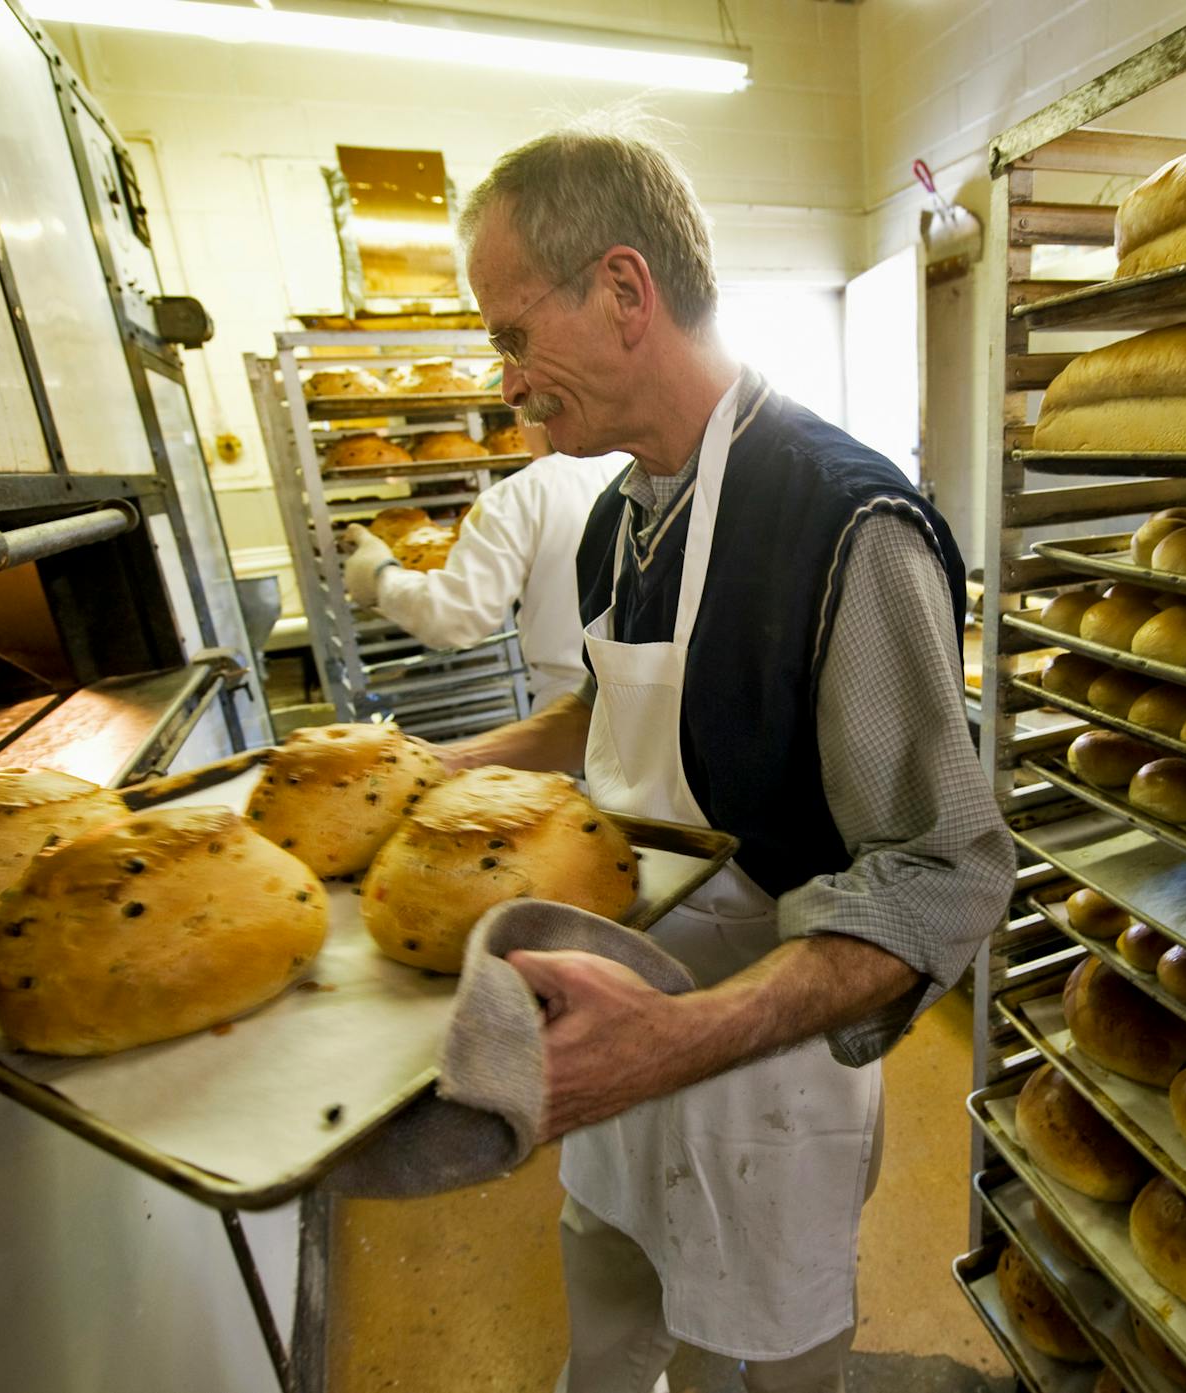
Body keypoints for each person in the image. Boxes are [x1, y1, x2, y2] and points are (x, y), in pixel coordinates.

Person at [432, 125, 1014, 1393]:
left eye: (514, 336)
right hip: (610, 1044)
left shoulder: (843, 522)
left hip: (761, 1078)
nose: (508, 381)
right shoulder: (615, 519)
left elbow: (940, 875)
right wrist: (427, 782)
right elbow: (606, 718)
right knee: (611, 1332)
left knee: (760, 1374)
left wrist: (685, 1038)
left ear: (626, 291)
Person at [342, 424, 629, 708]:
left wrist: (380, 576)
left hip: (570, 711)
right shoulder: (637, 468)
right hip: (650, 706)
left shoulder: (524, 493)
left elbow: (455, 615)